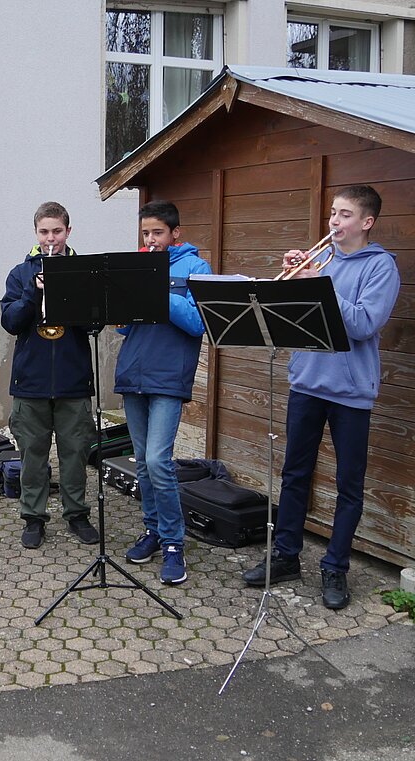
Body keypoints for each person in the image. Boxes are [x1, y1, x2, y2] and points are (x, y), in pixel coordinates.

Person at [242, 185, 400, 610]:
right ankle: (287, 556)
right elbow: (290, 318)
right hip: (307, 383)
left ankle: (335, 567)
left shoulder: (380, 266)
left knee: (349, 484)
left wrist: (320, 283)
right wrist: (294, 279)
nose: (334, 221)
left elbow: (366, 323)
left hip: (351, 392)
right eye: (333, 213)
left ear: (366, 222)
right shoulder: (321, 262)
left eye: (345, 215)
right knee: (295, 474)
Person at [117, 200, 211, 585]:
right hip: (134, 371)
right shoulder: (137, 263)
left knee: (159, 461)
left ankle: (174, 543)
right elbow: (125, 327)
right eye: (145, 233)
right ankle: (153, 530)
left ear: (175, 234)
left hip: (169, 376)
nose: (150, 240)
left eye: (157, 233)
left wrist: (158, 290)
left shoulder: (196, 268)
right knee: (141, 462)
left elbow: (196, 322)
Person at [0, 201, 98, 549]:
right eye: (44, 232)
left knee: (75, 453)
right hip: (31, 382)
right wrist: (34, 291)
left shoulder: (84, 269)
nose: (50, 238)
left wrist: (69, 290)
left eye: (57, 231)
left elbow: (93, 322)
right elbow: (11, 322)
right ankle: (33, 517)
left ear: (68, 232)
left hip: (72, 380)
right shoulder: (20, 273)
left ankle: (76, 514)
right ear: (36, 233)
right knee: (32, 455)